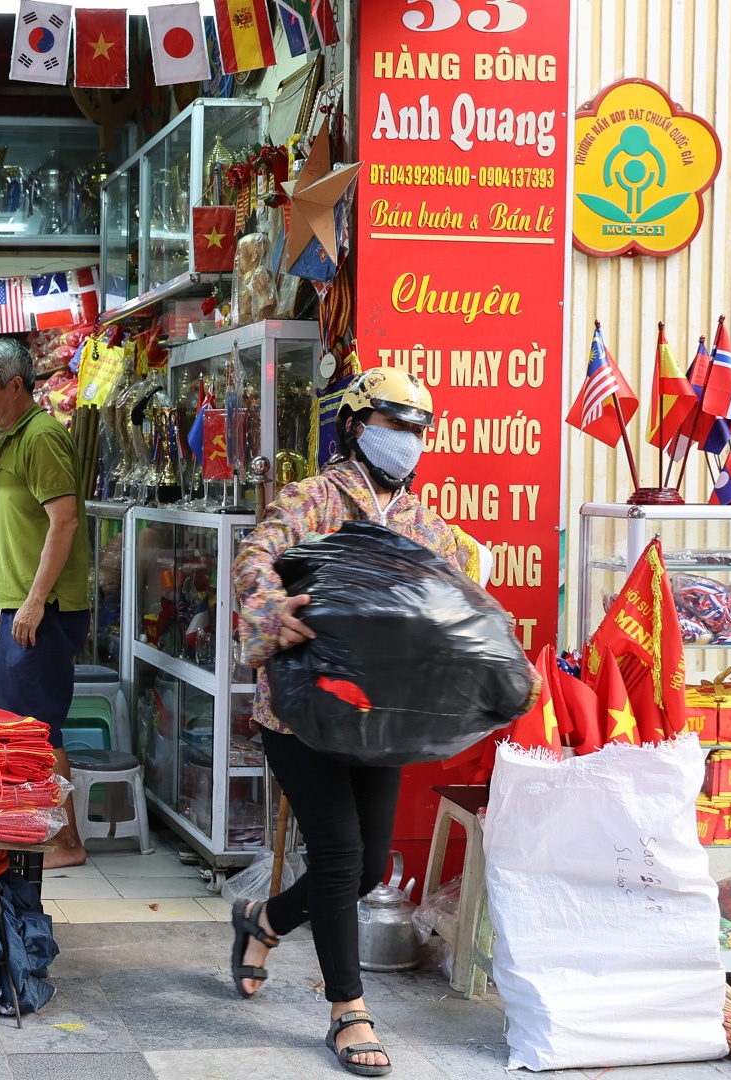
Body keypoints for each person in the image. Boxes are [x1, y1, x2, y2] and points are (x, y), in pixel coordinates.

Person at [229, 367, 504, 1077]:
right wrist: (270, 609)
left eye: (417, 429)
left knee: (366, 866)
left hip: (380, 720)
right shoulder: (311, 498)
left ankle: (263, 922)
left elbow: (457, 598)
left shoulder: (424, 523)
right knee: (340, 852)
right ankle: (347, 1011)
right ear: (354, 425)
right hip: (303, 714)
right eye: (393, 425)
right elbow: (254, 559)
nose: (406, 441)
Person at [0, 338, 89, 869]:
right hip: (21, 606)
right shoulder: (15, 438)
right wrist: (12, 603)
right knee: (12, 722)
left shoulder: (40, 438)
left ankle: (66, 842)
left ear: (15, 385)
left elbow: (65, 522)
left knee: (39, 728)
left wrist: (35, 602)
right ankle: (29, 824)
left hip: (47, 608)